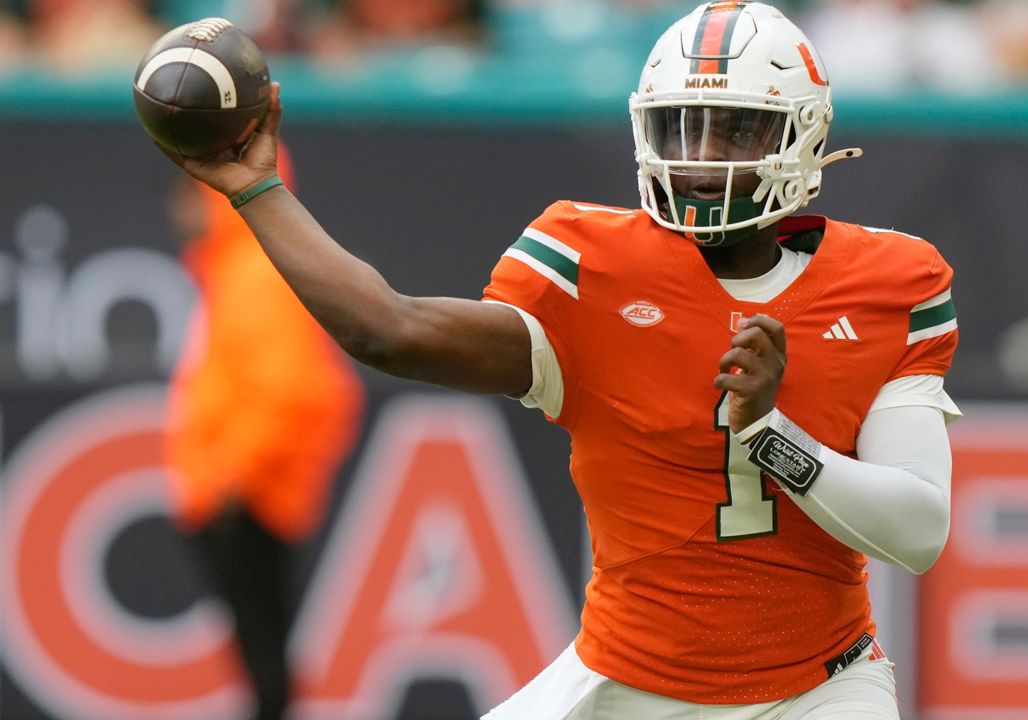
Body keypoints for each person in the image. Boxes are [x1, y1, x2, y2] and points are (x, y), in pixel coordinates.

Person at [156, 2, 959, 717]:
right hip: (625, 680)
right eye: (683, 125)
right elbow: (389, 331)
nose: (701, 155)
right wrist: (258, 190)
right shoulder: (591, 265)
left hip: (820, 689)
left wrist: (770, 434)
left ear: (805, 135)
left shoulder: (889, 281)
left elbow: (919, 530)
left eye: (734, 129)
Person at [165, 146, 364, 720]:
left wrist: (234, 478)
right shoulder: (238, 270)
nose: (180, 211)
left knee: (266, 666)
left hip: (251, 497)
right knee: (264, 658)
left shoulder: (256, 275)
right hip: (245, 492)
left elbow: (294, 389)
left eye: (188, 194)